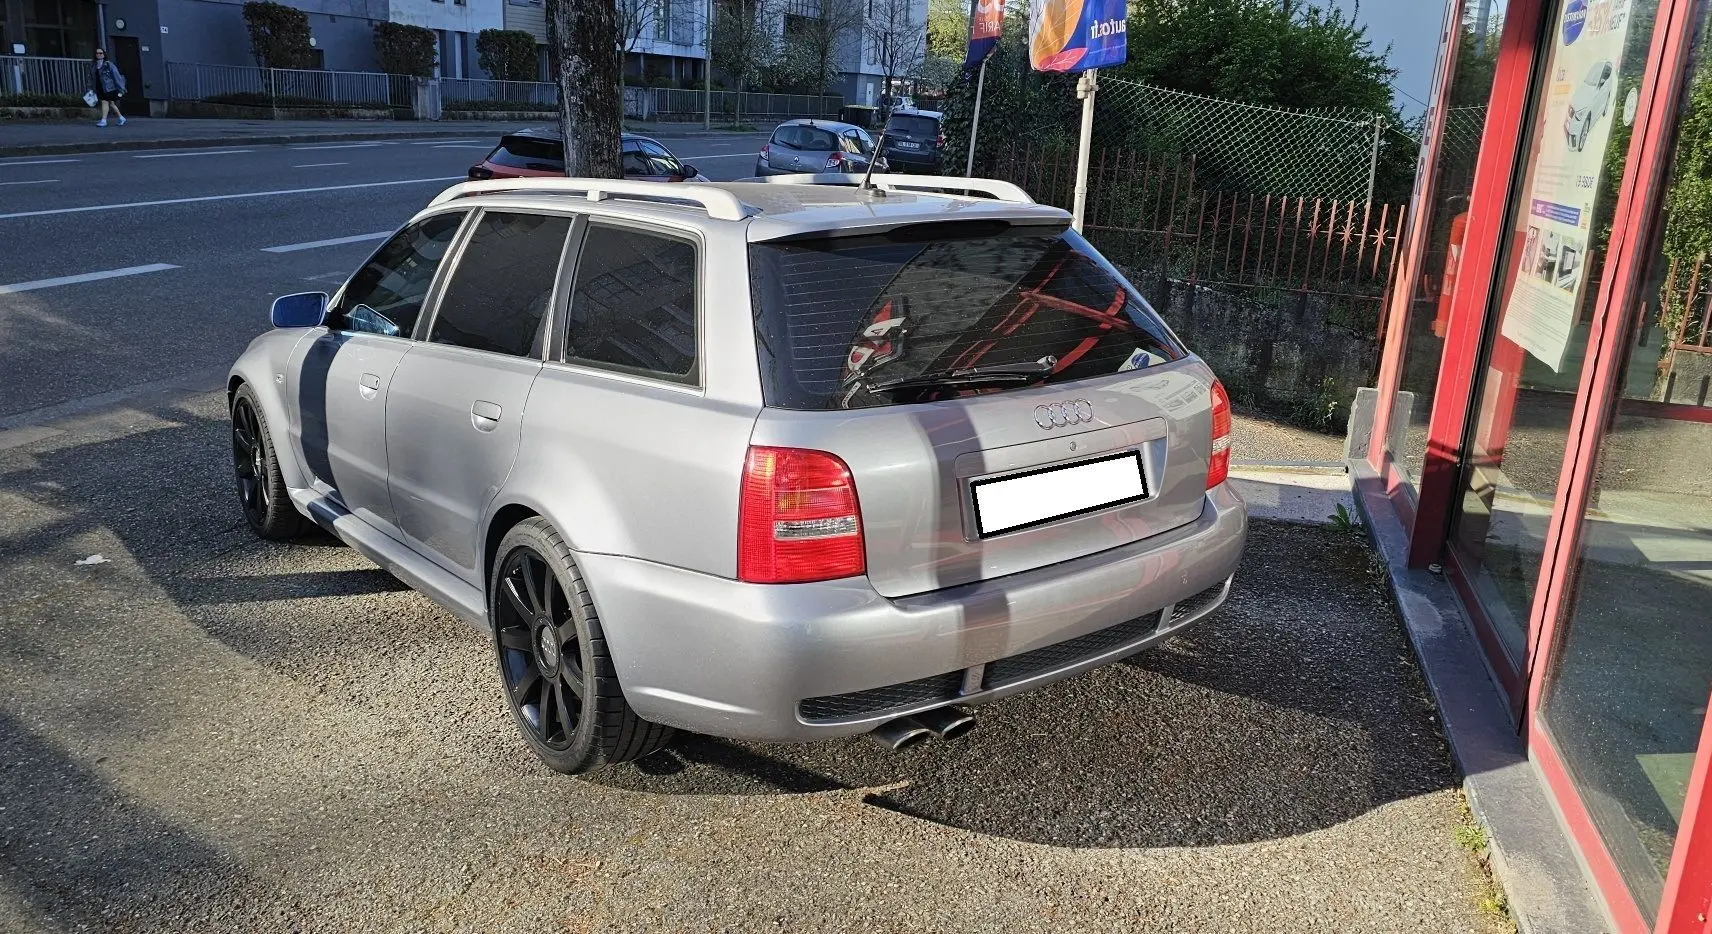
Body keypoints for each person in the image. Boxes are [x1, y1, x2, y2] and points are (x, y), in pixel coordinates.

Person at [89, 49, 127, 127]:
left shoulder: (108, 64)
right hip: (99, 87)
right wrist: (91, 88)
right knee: (111, 104)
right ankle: (121, 117)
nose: (98, 54)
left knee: (105, 102)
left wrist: (121, 88)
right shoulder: (94, 65)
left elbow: (116, 76)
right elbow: (92, 77)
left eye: (100, 53)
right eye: (97, 53)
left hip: (108, 88)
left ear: (104, 54)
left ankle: (104, 120)